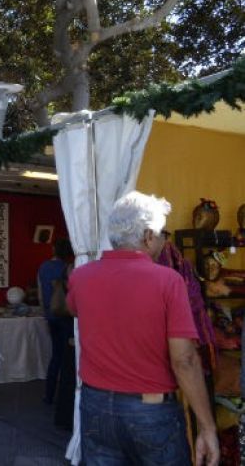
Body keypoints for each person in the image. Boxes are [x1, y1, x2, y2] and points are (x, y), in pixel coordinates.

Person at [67, 191, 219, 466]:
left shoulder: (81, 276)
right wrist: (207, 427)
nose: (164, 241)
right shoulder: (168, 281)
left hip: (95, 405)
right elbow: (184, 360)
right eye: (163, 234)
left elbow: (74, 309)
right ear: (149, 236)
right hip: (150, 411)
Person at [37, 238, 74, 405]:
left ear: (53, 249)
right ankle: (66, 396)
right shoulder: (69, 268)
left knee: (56, 355)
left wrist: (45, 313)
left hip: (51, 315)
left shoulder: (43, 267)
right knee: (68, 356)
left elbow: (40, 294)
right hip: (67, 316)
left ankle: (49, 395)